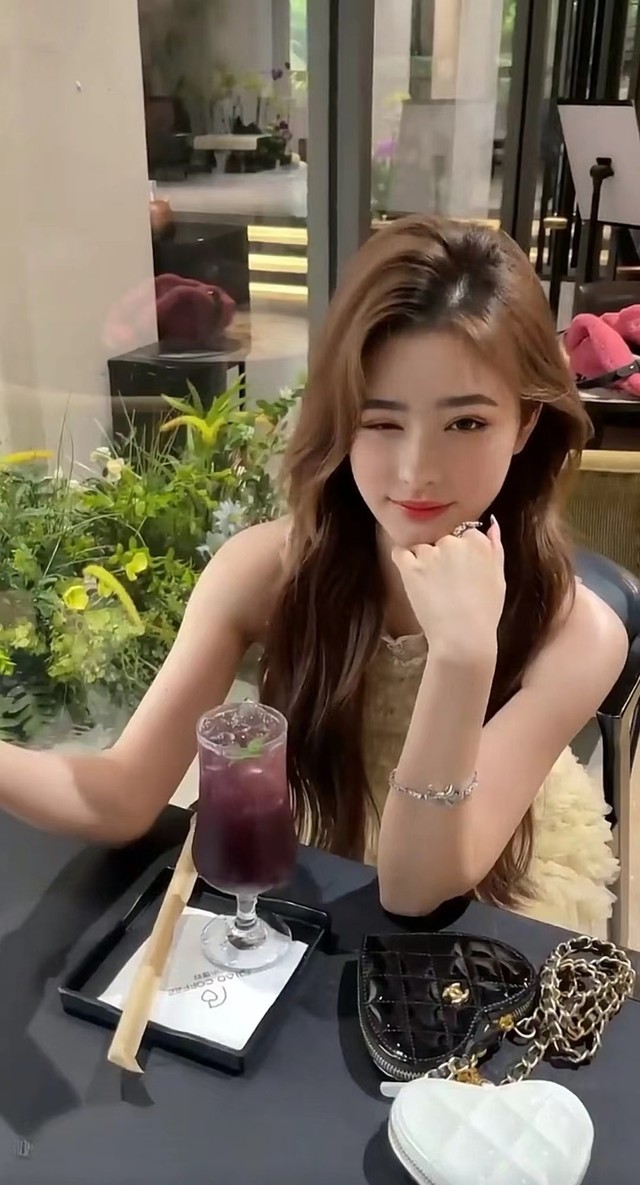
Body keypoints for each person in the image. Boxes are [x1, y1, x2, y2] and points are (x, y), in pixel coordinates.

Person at [0, 216, 627, 934]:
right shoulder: (269, 571)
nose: (417, 469)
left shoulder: (577, 634)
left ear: (525, 423)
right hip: (308, 848)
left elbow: (417, 889)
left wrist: (462, 657)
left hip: (479, 880)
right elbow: (122, 795)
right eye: (381, 422)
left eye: (466, 424)